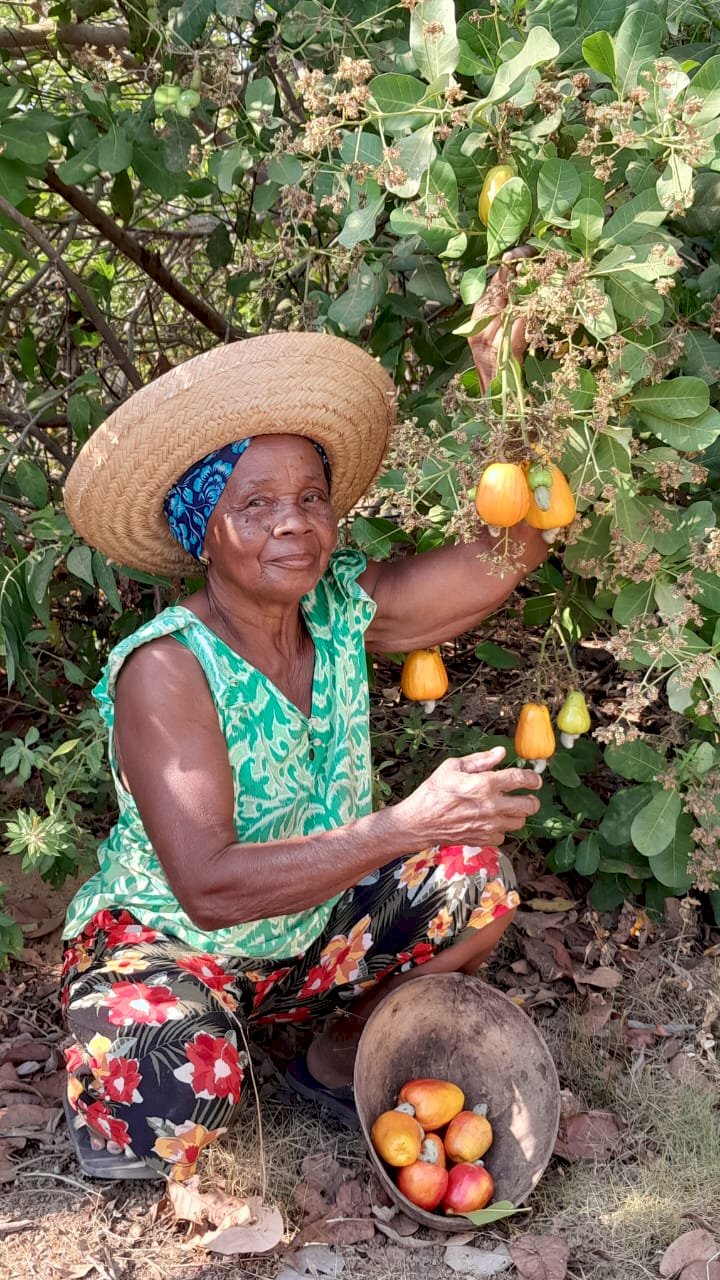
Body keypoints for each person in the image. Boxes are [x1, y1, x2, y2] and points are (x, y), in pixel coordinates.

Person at [60, 263, 552, 1184]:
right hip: (181, 945)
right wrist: (406, 826)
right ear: (205, 529)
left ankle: (332, 1053)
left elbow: (509, 546)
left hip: (312, 935)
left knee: (478, 883)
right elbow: (207, 889)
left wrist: (506, 388)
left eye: (311, 498)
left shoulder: (341, 609)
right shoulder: (166, 670)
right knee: (177, 1102)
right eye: (257, 505)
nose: (295, 524)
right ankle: (170, 1041)